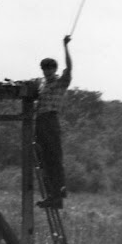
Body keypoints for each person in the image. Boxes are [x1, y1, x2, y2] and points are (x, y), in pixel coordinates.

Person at [35, 35, 72, 209]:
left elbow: (70, 68)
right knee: (43, 159)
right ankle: (51, 194)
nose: (46, 71)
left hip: (50, 119)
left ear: (54, 69)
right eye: (44, 68)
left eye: (49, 68)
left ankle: (58, 195)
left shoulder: (59, 83)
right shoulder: (42, 84)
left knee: (53, 158)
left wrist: (65, 47)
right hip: (40, 120)